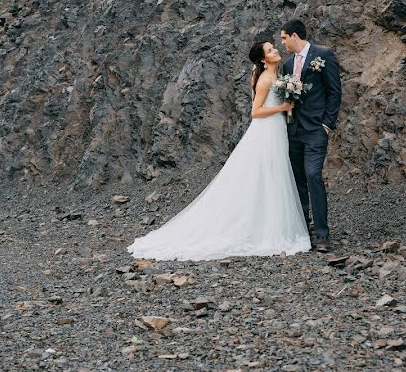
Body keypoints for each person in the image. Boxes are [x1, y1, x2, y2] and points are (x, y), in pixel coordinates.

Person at [127, 40, 311, 260]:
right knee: (268, 173)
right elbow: (255, 111)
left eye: (273, 47)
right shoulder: (265, 79)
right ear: (263, 59)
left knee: (273, 174)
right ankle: (265, 229)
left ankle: (271, 223)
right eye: (270, 50)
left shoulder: (276, 76)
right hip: (266, 131)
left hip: (276, 129)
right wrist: (283, 107)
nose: (275, 51)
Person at [280, 19, 341, 253]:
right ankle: (303, 231)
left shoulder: (323, 55)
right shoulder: (286, 66)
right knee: (298, 181)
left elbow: (335, 92)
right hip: (294, 131)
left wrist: (327, 124)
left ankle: (322, 235)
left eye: (284, 38)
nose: (282, 42)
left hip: (316, 129)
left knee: (313, 175)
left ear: (295, 36)